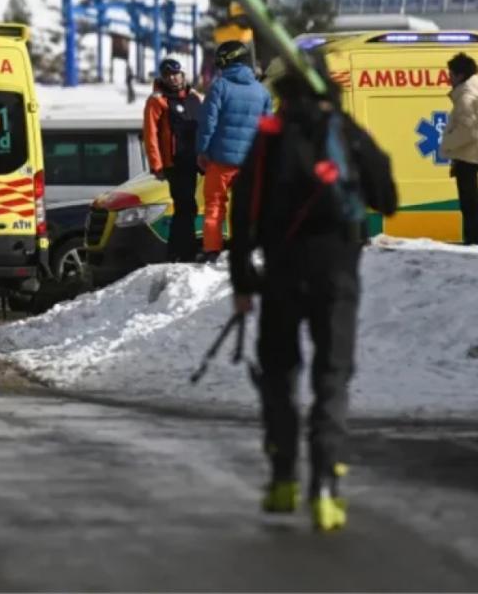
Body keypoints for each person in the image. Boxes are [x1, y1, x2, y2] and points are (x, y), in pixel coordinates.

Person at [229, 53, 397, 532]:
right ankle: (325, 485)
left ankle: (282, 480)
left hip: (282, 270)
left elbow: (243, 216)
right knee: (331, 374)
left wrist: (243, 283)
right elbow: (387, 198)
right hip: (338, 271)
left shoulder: (269, 137)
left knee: (280, 372)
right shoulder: (344, 133)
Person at [196, 40, 272, 260]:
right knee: (247, 207)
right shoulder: (262, 91)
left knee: (214, 206)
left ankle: (212, 250)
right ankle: (246, 248)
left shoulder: (220, 87)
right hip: (250, 163)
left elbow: (207, 123)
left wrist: (202, 151)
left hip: (220, 161)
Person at [143, 57, 203, 262]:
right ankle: (181, 251)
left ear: (183, 75)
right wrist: (156, 164)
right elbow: (150, 133)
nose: (173, 79)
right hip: (174, 162)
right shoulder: (157, 100)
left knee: (189, 205)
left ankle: (183, 249)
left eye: (176, 74)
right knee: (184, 205)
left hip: (193, 159)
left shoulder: (194, 96)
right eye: (168, 75)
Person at [440, 52, 478, 245]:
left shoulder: (466, 97)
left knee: (469, 204)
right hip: (471, 156)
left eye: (451, 74)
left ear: (460, 76)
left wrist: (446, 145)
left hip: (468, 158)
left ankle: (472, 241)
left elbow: (469, 131)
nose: (448, 78)